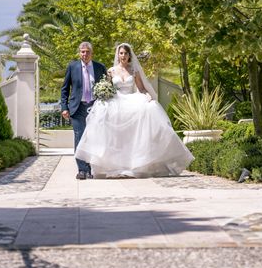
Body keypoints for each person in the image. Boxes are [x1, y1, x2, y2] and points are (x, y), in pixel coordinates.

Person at [75, 43, 194, 178]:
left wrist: (148, 96)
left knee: (150, 110)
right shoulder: (111, 71)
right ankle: (111, 166)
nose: (123, 56)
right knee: (108, 123)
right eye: (121, 53)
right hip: (116, 101)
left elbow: (141, 88)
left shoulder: (134, 71)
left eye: (126, 53)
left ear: (129, 55)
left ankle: (137, 164)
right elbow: (107, 88)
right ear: (118, 55)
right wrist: (103, 94)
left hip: (131, 100)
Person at [61, 41, 107, 180]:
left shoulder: (100, 67)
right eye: (82, 51)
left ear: (91, 53)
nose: (85, 54)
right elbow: (65, 89)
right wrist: (64, 107)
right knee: (79, 137)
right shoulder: (72, 67)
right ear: (79, 53)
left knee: (94, 139)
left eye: (87, 51)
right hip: (77, 108)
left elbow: (107, 86)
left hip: (95, 107)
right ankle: (82, 170)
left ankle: (91, 168)